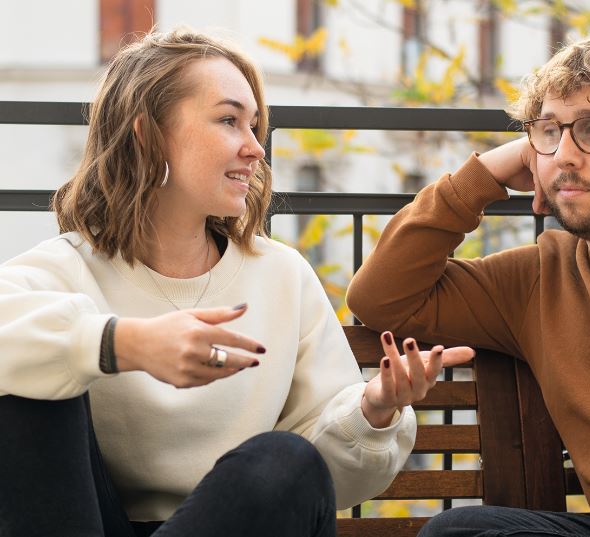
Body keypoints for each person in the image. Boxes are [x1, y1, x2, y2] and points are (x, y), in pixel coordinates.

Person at [0, 28, 474, 537]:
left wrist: (373, 410)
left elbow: (317, 480)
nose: (256, 149)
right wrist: (122, 343)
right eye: (229, 121)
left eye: (255, 126)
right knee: (28, 374)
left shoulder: (281, 275)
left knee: (284, 459)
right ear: (147, 133)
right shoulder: (68, 269)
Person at [346, 33, 590, 537]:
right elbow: (381, 298)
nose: (565, 155)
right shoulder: (536, 279)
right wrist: (488, 172)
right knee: (459, 533)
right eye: (548, 132)